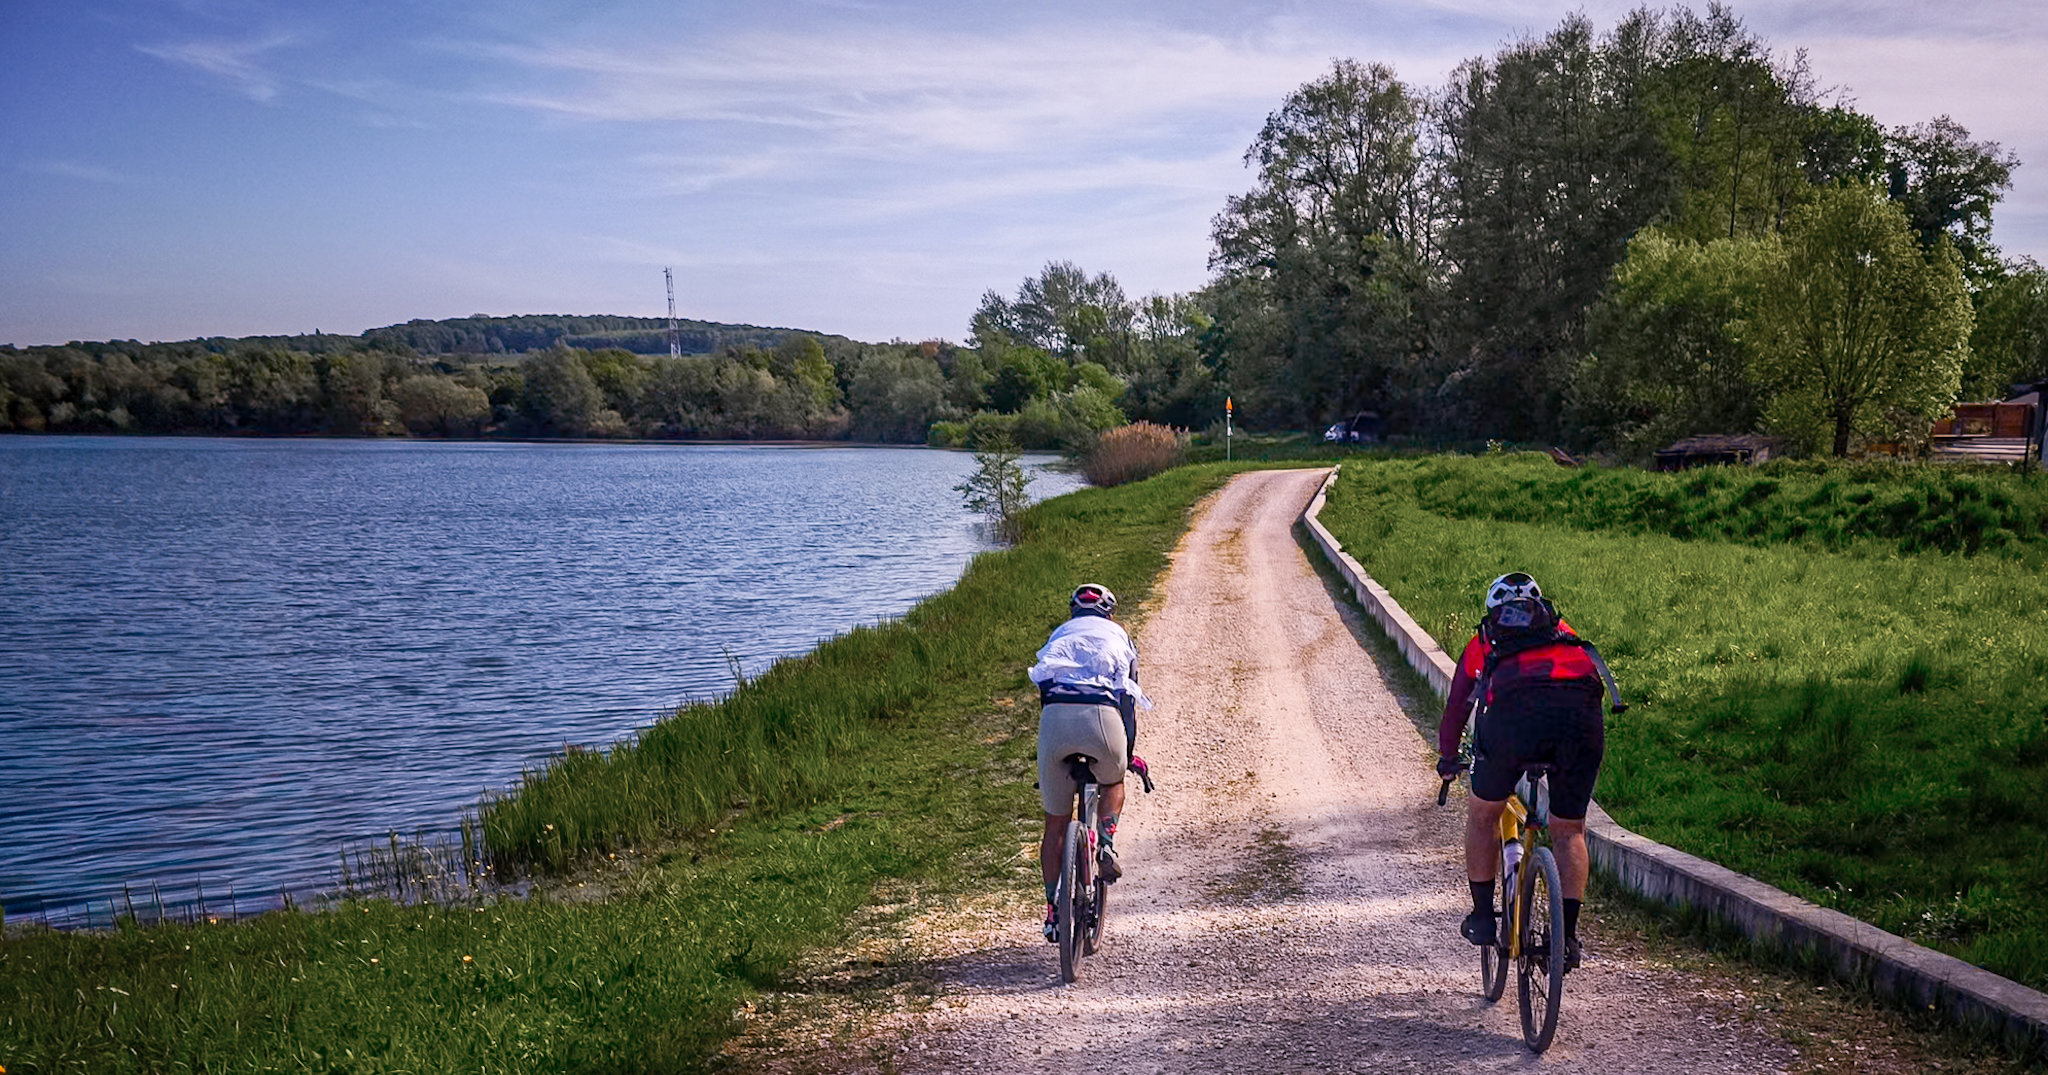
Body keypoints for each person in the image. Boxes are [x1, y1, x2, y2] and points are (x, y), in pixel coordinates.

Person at [1436, 572, 1620, 970]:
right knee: (1569, 829)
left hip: (1512, 723)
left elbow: (1457, 708)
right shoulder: (1564, 633)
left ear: (1494, 611)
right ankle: (1566, 938)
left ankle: (1484, 918)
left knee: (1483, 815)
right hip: (1578, 722)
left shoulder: (1485, 641)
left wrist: (1448, 758)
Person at [1029, 582, 1151, 943]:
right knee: (1113, 780)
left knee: (1055, 823)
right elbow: (1128, 701)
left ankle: (1053, 910)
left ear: (1073, 613)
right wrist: (1126, 754)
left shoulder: (1058, 636)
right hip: (1102, 719)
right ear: (1110, 614)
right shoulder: (1121, 638)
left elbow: (1045, 694)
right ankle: (1107, 845)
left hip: (1055, 723)